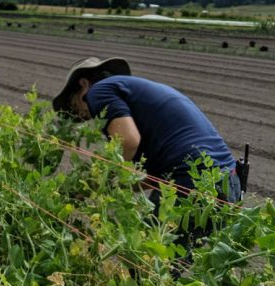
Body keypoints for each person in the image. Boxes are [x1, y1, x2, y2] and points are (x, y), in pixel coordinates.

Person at [51, 57, 241, 249]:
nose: (85, 116)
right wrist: (109, 190)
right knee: (174, 266)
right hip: (227, 183)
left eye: (75, 106)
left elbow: (128, 141)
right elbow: (153, 177)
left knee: (147, 261)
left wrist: (97, 181)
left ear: (83, 85)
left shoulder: (99, 90)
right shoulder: (137, 93)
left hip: (191, 183)